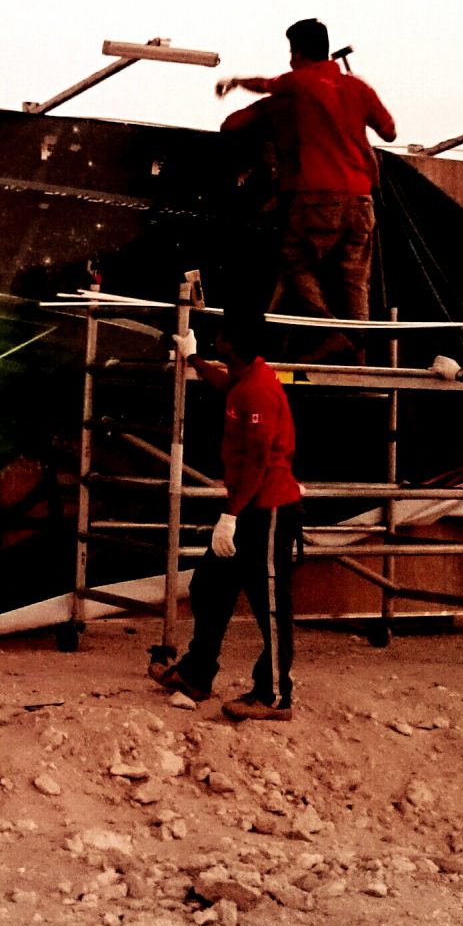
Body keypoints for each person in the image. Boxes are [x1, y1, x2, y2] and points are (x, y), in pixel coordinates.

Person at [152, 309, 306, 721]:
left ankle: (274, 696)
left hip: (266, 508)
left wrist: (231, 515)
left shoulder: (257, 390)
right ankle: (198, 673)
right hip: (250, 505)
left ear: (232, 343)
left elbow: (257, 461)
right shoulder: (246, 376)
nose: (215, 338)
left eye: (220, 335)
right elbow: (226, 384)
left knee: (270, 604)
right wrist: (196, 360)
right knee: (209, 586)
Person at [220, 19, 396, 360]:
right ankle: (357, 344)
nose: (289, 60)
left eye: (291, 52)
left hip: (316, 195)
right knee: (355, 278)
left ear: (298, 53)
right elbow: (389, 132)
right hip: (362, 200)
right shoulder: (358, 88)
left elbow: (240, 115)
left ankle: (330, 331)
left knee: (294, 262)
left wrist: (235, 82)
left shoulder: (297, 86)